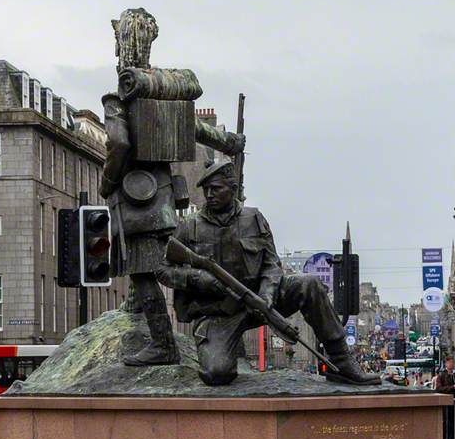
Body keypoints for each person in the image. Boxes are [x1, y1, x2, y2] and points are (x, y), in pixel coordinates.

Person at [102, 9, 245, 368]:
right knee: (150, 262)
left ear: (120, 43)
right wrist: (230, 141)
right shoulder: (164, 92)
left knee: (144, 269)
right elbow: (197, 129)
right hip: (165, 194)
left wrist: (107, 181)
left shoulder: (121, 96)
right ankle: (137, 306)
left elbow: (118, 144)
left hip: (136, 198)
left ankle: (162, 343)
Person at [156, 159, 379, 386]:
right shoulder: (190, 226)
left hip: (259, 301)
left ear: (233, 190)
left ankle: (342, 361)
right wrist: (196, 278)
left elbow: (272, 264)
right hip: (218, 313)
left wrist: (267, 296)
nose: (209, 194)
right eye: (206, 190)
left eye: (216, 188)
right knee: (216, 373)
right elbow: (162, 269)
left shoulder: (253, 218)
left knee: (309, 284)